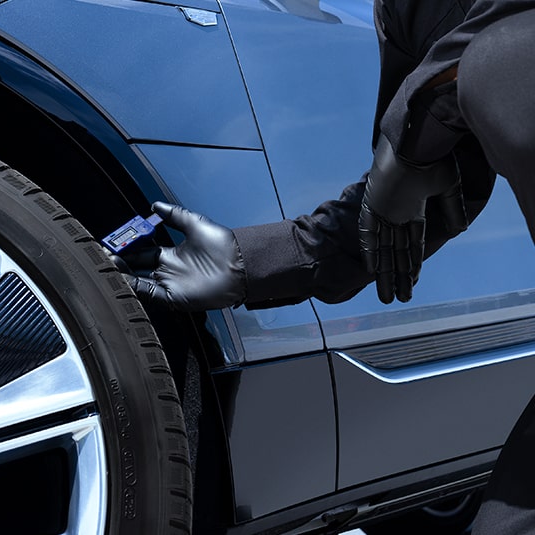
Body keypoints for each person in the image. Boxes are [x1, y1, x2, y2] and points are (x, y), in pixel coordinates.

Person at [120, 1, 535, 533]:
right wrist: (262, 262)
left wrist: (410, 143)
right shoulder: (406, 12)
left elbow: (499, 55)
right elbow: (432, 191)